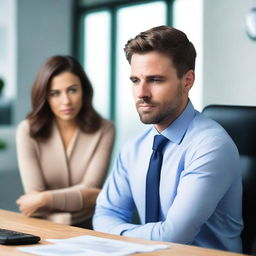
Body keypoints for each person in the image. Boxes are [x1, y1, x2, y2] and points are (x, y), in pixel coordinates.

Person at [93, 26, 243, 252]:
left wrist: (116, 233)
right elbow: (105, 215)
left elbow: (173, 236)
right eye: (135, 80)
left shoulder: (211, 146)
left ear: (187, 81)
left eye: (155, 80)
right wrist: (123, 233)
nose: (141, 92)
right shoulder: (135, 146)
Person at [16, 55, 115, 228]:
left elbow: (92, 191)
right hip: (41, 229)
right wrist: (77, 202)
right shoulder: (27, 130)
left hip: (92, 228)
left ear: (84, 90)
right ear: (45, 96)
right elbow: (33, 199)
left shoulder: (105, 129)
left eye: (72, 90)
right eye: (55, 93)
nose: (66, 101)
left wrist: (45, 198)